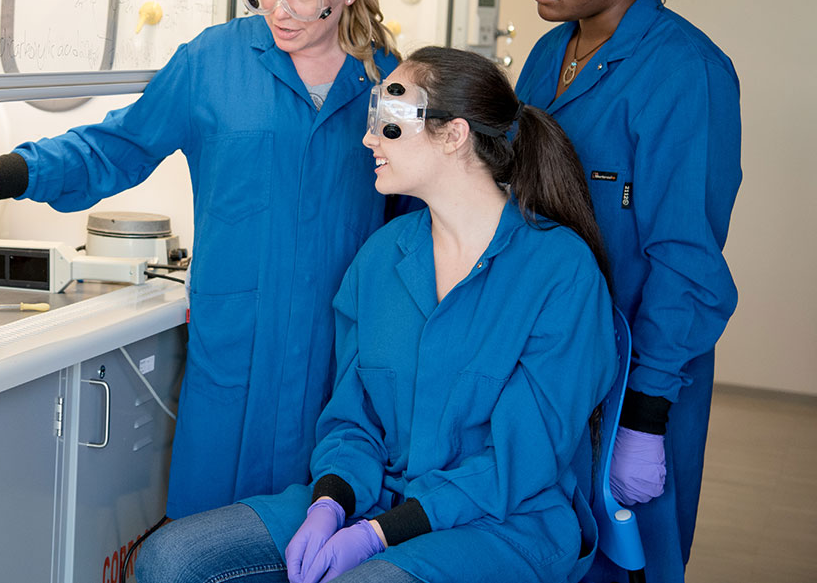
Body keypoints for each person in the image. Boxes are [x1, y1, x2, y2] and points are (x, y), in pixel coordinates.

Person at [0, 0, 403, 518]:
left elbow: (418, 222)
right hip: (237, 357)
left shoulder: (388, 82)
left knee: (328, 531)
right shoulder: (215, 62)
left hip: (342, 360)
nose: (279, 10)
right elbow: (113, 147)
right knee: (204, 544)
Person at [135, 46, 619, 583]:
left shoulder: (560, 271)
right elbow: (352, 419)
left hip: (502, 522)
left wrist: (380, 535)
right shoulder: (380, 259)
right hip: (376, 498)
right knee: (169, 558)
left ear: (454, 135)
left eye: (389, 126)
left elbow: (521, 459)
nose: (369, 139)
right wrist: (331, 503)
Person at [508, 0, 742, 583]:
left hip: (636, 378)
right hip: (549, 360)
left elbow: (686, 260)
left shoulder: (686, 73)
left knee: (632, 561)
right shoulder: (551, 55)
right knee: (543, 549)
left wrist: (644, 415)